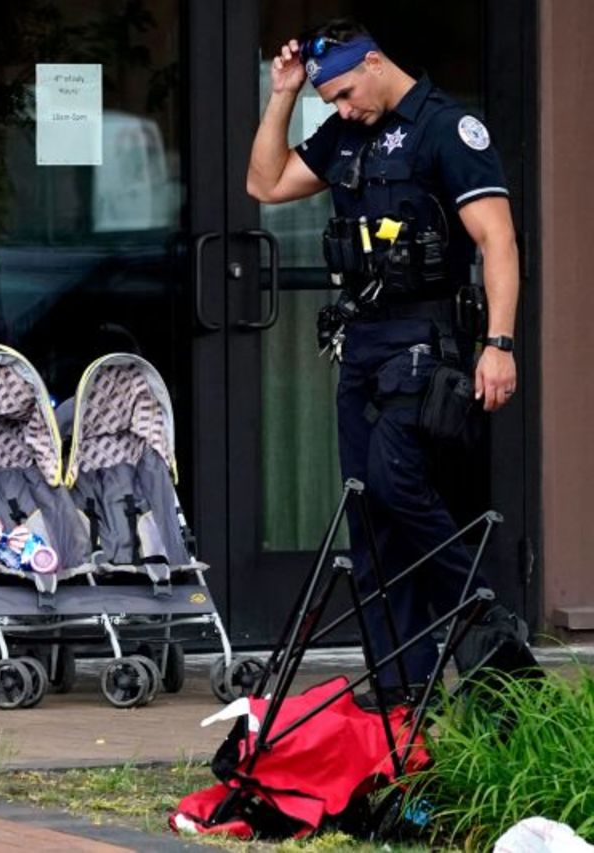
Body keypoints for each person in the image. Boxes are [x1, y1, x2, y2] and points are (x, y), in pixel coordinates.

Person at [246, 19, 520, 706]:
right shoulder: (344, 134)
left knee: (398, 485)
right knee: (370, 519)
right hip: (363, 346)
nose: (340, 108)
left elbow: (499, 241)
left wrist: (501, 343)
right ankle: (403, 691)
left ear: (373, 62)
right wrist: (283, 94)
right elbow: (267, 183)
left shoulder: (447, 129)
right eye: (328, 99)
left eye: (342, 93)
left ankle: (489, 622)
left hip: (425, 345)